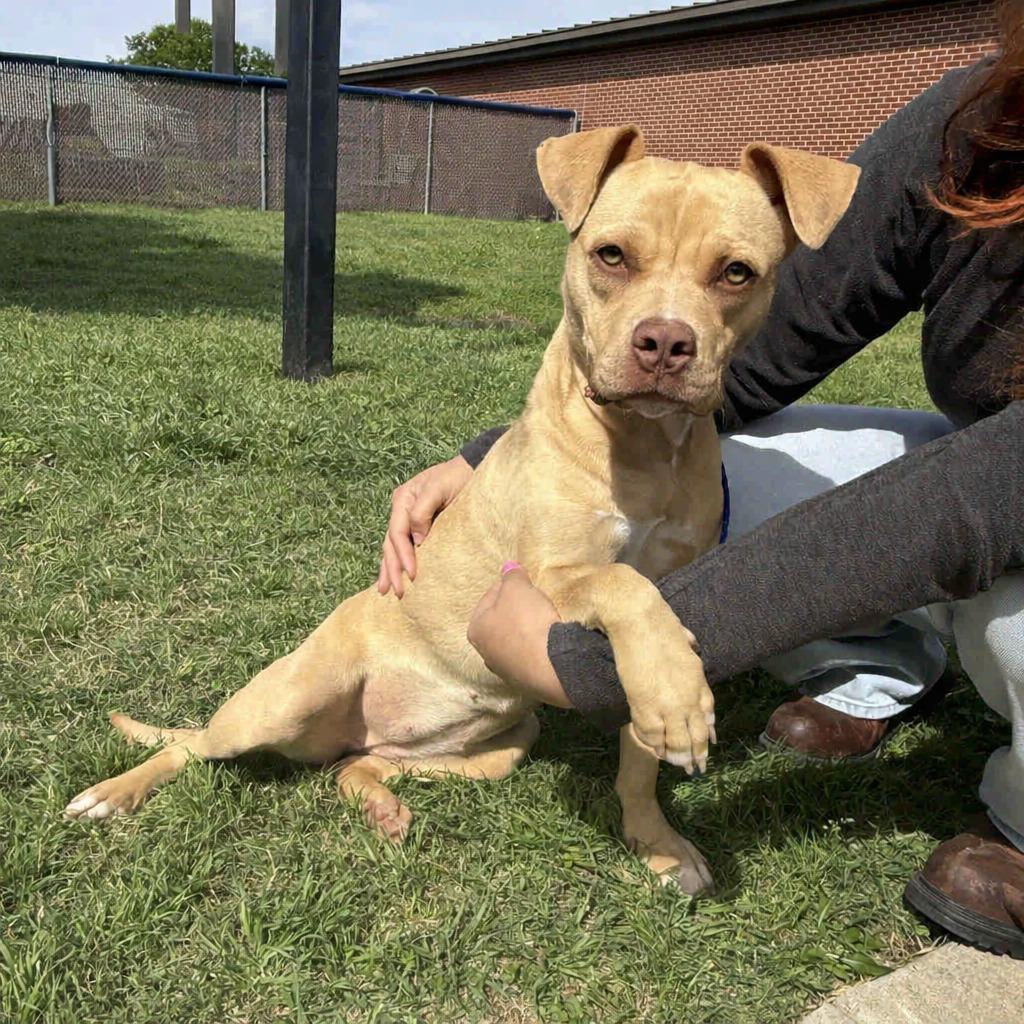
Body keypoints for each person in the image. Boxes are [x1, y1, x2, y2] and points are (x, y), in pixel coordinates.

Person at [378, 0, 1024, 957]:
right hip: (987, 455)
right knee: (733, 476)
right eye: (612, 259)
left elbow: (972, 504)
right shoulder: (989, 114)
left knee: (1011, 623)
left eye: (732, 276)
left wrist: (606, 658)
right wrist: (486, 458)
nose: (667, 326)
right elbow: (771, 345)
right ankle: (879, 674)